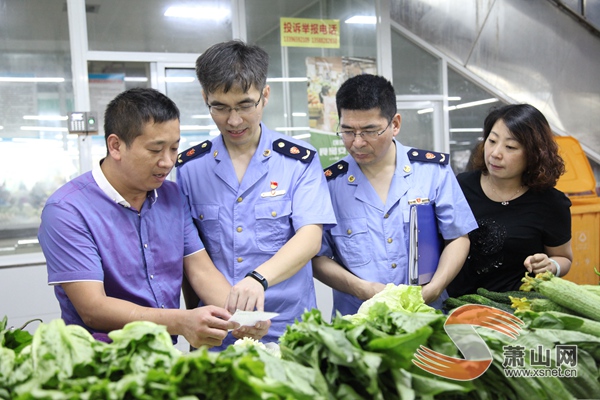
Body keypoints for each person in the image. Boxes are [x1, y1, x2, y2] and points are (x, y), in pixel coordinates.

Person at [38, 87, 266, 349]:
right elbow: (93, 307)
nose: (168, 162)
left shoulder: (172, 196)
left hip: (161, 354)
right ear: (116, 146)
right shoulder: (68, 210)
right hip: (97, 360)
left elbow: (201, 271)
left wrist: (243, 316)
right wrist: (181, 321)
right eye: (156, 150)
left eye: (174, 148)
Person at [176, 40, 336, 346]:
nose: (233, 121)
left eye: (244, 105)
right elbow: (192, 255)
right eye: (220, 107)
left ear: (265, 95)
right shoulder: (189, 168)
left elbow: (310, 237)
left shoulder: (298, 160)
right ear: (205, 98)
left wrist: (257, 279)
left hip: (289, 328)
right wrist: (237, 317)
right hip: (219, 329)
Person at [312, 74, 478, 316]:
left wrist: (434, 288)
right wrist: (361, 289)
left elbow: (458, 238)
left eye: (370, 131)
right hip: (358, 321)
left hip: (426, 314)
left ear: (395, 124)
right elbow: (317, 256)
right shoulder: (328, 184)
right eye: (347, 131)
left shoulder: (432, 172)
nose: (357, 143)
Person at [447, 104, 573, 297]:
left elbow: (564, 257)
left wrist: (551, 265)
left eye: (510, 147)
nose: (496, 153)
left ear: (534, 154)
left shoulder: (550, 202)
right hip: (457, 306)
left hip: (517, 309)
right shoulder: (461, 186)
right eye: (492, 141)